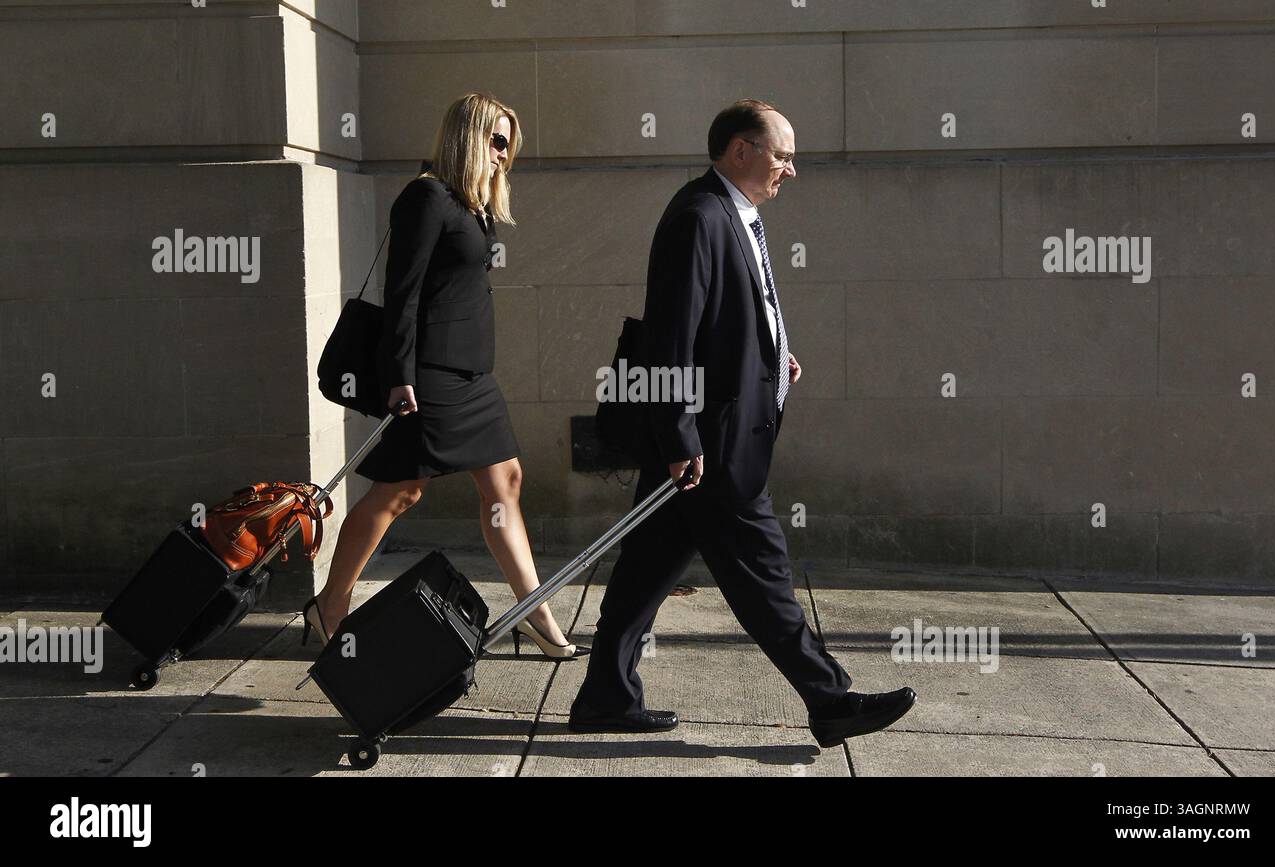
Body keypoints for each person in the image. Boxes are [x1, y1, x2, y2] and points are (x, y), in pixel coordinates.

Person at [568, 99, 916, 747]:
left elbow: (728, 318)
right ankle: (830, 698)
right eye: (781, 154)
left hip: (712, 433)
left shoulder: (737, 214)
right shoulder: (701, 217)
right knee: (763, 572)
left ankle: (605, 695)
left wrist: (775, 355)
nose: (791, 169)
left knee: (646, 567)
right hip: (712, 443)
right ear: (740, 151)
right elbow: (670, 337)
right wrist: (679, 436)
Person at [304, 92, 588, 660]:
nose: (505, 154)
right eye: (497, 140)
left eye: (511, 144)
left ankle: (534, 611)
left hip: (472, 375)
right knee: (401, 490)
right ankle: (330, 604)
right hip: (428, 373)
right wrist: (398, 374)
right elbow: (402, 292)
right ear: (468, 136)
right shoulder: (426, 196)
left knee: (505, 481)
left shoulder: (472, 203)